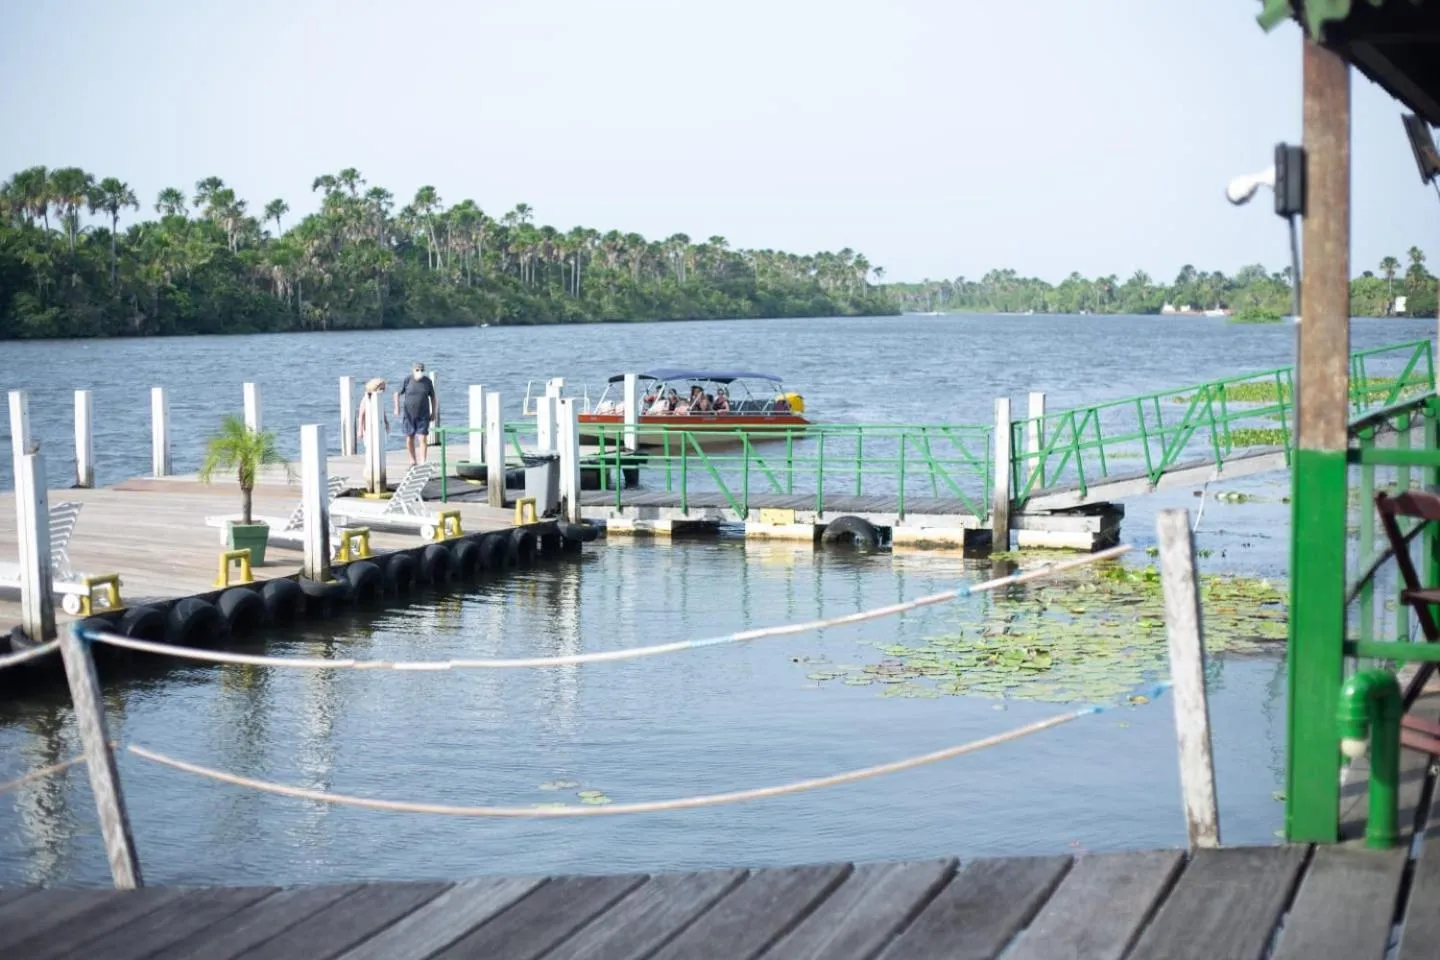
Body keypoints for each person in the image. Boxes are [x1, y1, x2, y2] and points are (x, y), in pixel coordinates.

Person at [394, 362, 438, 466]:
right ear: (413, 370)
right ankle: (413, 460)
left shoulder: (427, 382)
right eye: (417, 370)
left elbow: (433, 397)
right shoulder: (408, 380)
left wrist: (433, 412)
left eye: (422, 370)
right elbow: (396, 394)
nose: (420, 372)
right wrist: (397, 408)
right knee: (409, 438)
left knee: (422, 438)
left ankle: (423, 461)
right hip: (409, 415)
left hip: (423, 415)